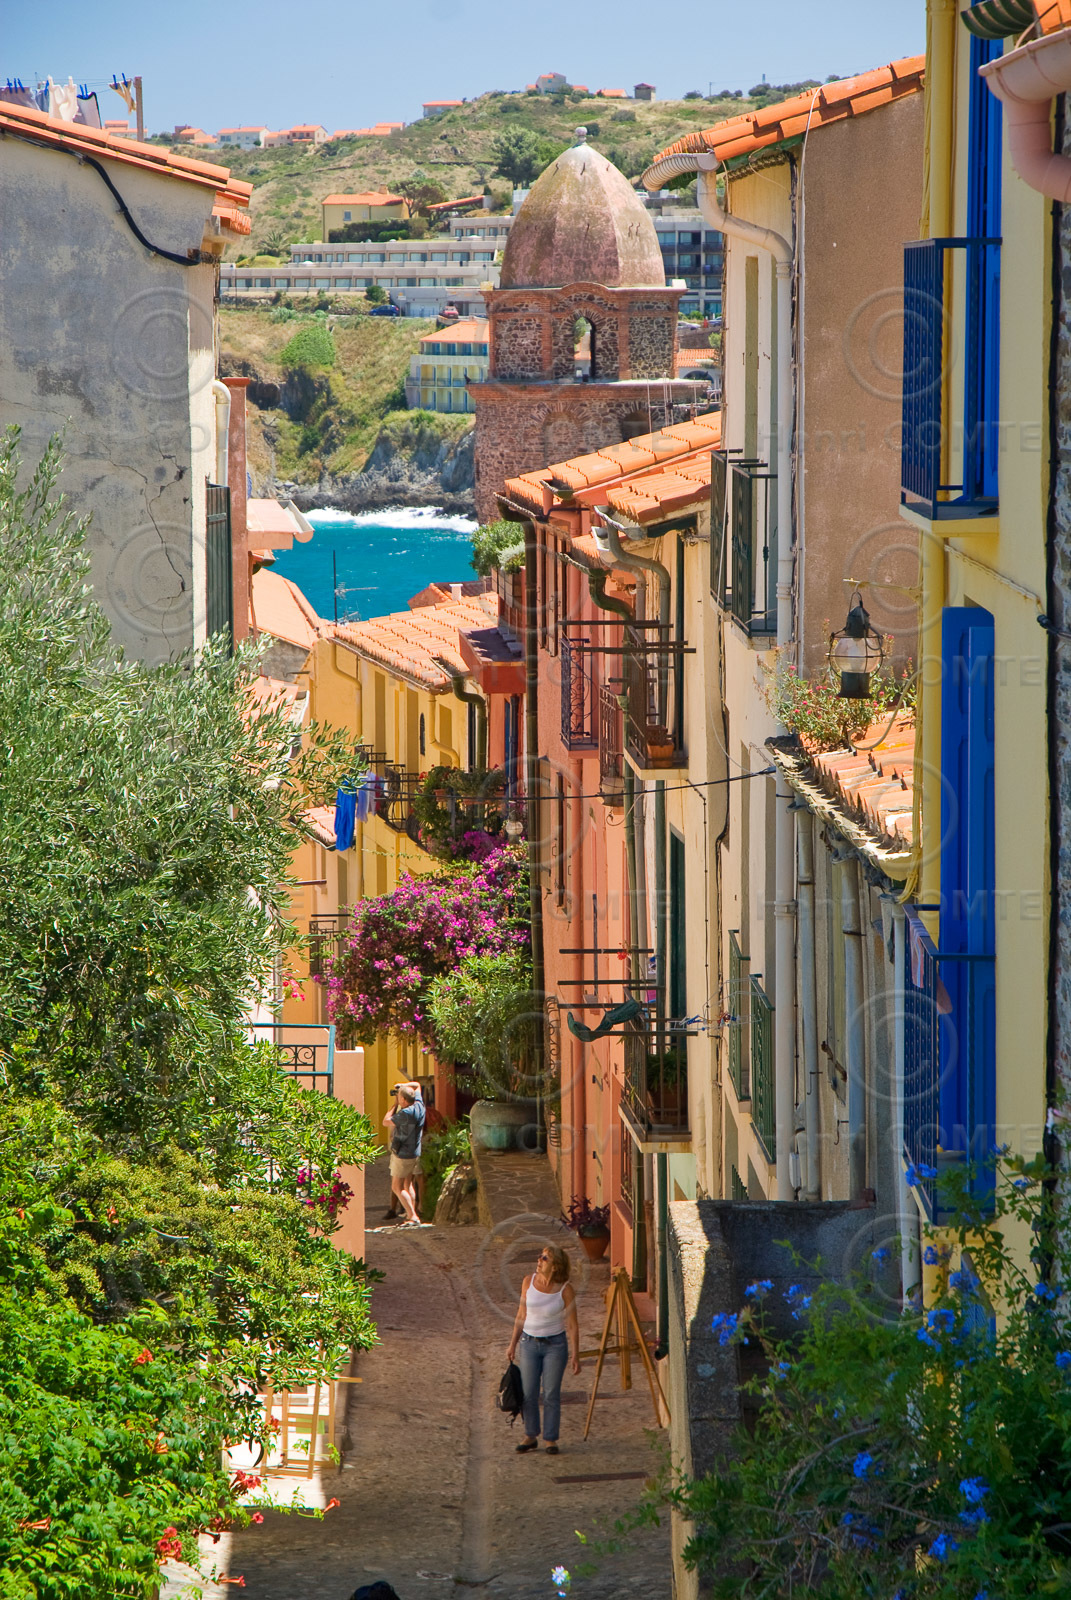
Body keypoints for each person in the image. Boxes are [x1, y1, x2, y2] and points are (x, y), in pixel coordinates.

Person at [506, 1242, 581, 1454]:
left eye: (545, 1258)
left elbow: (573, 1325)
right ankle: (530, 1435)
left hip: (555, 1346)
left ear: (555, 1266)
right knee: (529, 1393)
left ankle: (550, 1438)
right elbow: (521, 1315)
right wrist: (512, 1344)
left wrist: (576, 1355)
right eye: (540, 1257)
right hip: (529, 1344)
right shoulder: (527, 1282)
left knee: (550, 1394)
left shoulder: (565, 1291)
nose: (539, 1260)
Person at [382, 1081, 425, 1225]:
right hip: (414, 1152)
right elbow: (417, 1085)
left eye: (400, 1096)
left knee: (397, 1186)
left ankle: (412, 1216)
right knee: (408, 1184)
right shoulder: (419, 1105)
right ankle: (410, 1213)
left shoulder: (406, 1113)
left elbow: (386, 1121)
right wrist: (404, 1085)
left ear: (404, 1100)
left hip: (403, 1154)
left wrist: (394, 1105)